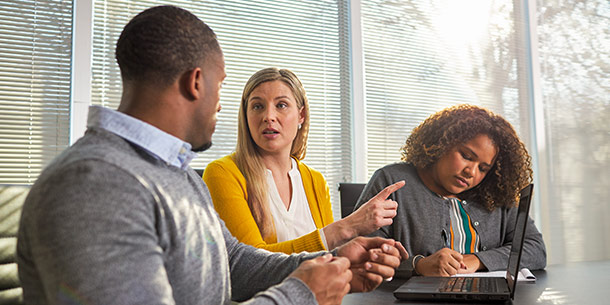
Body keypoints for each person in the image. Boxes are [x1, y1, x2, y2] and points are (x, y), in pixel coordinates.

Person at [16, 5, 406, 305]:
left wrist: (330, 263)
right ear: (196, 82)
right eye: (221, 87)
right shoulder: (96, 184)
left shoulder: (178, 174)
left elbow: (232, 261)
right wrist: (302, 294)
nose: (222, 106)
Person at [203, 67, 405, 254]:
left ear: (301, 115)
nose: (268, 116)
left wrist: (369, 253)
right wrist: (348, 226)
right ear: (246, 116)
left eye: (281, 105)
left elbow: (328, 255)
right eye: (257, 106)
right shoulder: (222, 173)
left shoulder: (315, 181)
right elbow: (250, 263)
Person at [353, 104, 547, 277]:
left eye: (483, 168)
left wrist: (477, 260)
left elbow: (535, 249)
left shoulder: (495, 192)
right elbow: (363, 255)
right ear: (441, 143)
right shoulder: (392, 181)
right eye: (466, 156)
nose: (471, 172)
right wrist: (418, 265)